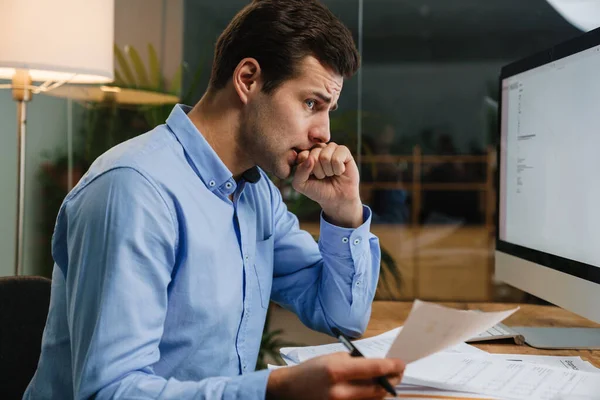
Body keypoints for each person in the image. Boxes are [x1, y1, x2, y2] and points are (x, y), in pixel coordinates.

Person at [24, 0, 405, 399]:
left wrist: (343, 213)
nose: (323, 134)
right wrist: (273, 391)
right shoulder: (134, 190)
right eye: (311, 103)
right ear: (248, 79)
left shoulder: (256, 193)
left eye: (328, 110)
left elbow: (342, 316)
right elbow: (111, 392)